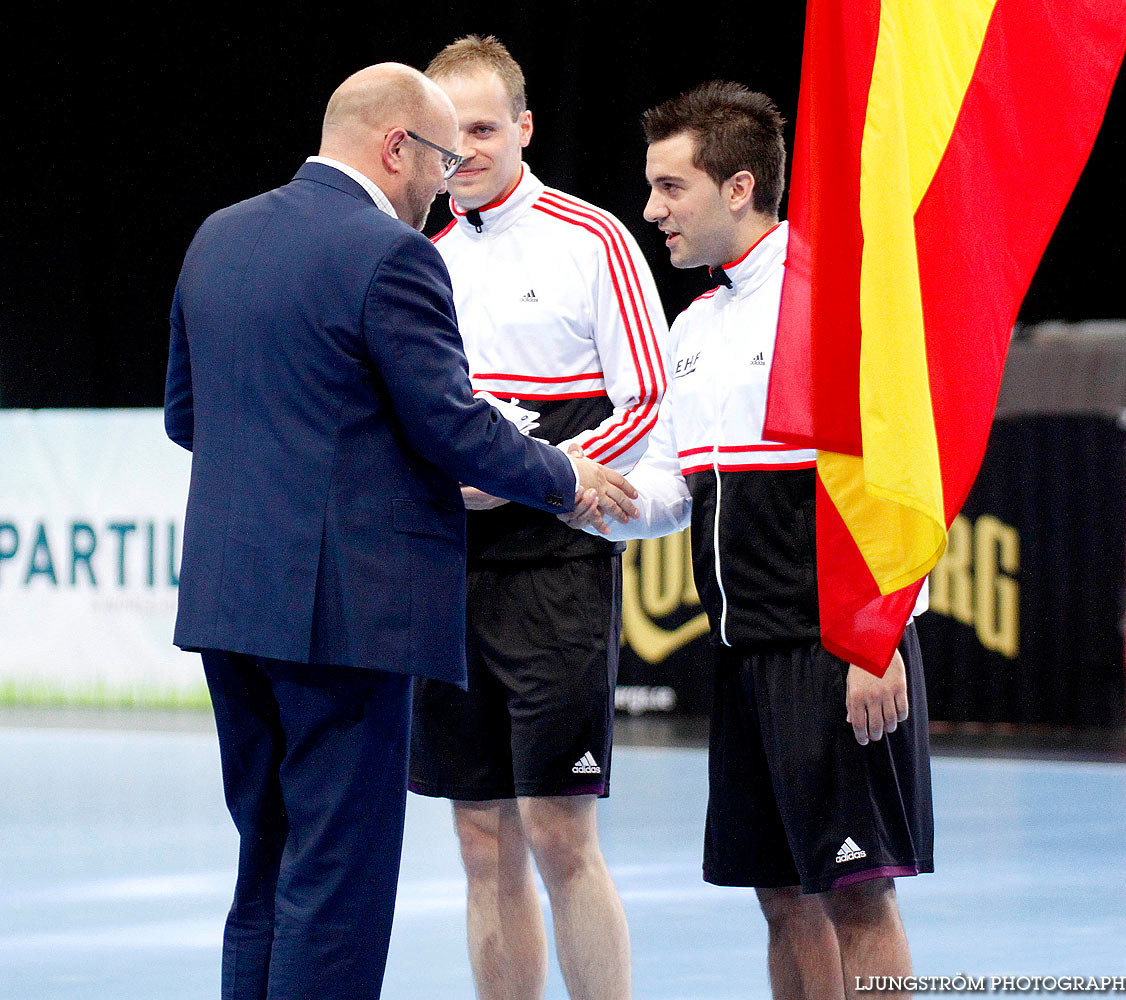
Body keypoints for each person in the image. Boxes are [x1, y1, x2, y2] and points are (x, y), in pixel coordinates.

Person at [164, 61, 637, 1000]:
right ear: (395, 147)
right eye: (438, 160)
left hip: (227, 604)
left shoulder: (218, 236)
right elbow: (450, 426)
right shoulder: (392, 255)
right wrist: (566, 477)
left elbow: (186, 417)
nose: (440, 185)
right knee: (336, 883)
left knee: (265, 865)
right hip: (343, 617)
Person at [582, 81, 934, 999]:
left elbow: (905, 479)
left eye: (670, 189)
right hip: (740, 658)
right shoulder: (691, 326)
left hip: (836, 648)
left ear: (738, 187)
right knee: (779, 896)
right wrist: (569, 491)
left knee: (858, 895)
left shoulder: (838, 295)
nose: (651, 210)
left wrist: (882, 632)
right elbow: (668, 496)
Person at [406, 35, 668, 1000]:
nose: (463, 150)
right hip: (447, 573)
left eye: (483, 127)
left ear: (522, 128)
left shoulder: (591, 238)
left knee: (558, 832)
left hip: (554, 572)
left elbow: (646, 401)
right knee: (480, 844)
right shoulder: (418, 256)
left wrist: (532, 476)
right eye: (447, 132)